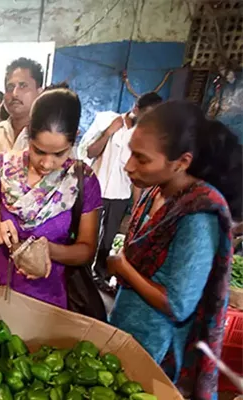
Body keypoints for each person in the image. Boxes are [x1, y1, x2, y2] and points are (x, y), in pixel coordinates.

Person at [107, 101, 242, 399]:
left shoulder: (198, 216)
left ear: (181, 162)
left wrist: (123, 267)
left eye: (141, 159)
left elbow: (178, 304)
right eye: (131, 153)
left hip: (160, 356)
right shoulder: (156, 192)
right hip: (130, 336)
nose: (129, 165)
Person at [0, 88, 102, 308]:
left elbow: (86, 250)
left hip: (50, 297)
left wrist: (44, 250)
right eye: (39, 151)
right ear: (28, 134)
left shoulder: (83, 181)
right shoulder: (4, 169)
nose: (47, 163)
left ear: (74, 139)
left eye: (60, 153)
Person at [86, 92, 163, 285]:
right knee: (88, 235)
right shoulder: (108, 121)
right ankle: (82, 274)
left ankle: (100, 275)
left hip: (120, 195)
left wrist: (137, 206)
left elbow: (135, 176)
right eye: (147, 115)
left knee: (109, 238)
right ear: (136, 109)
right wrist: (108, 133)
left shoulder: (142, 136)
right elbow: (89, 151)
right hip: (96, 190)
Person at [0, 58, 44, 183]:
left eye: (23, 86)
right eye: (10, 87)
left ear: (40, 93)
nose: (15, 94)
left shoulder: (49, 139)